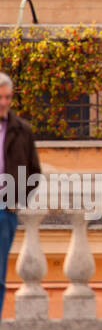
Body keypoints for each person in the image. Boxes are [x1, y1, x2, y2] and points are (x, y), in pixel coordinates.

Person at [0, 72, 41, 315]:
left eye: (7, 97)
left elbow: (35, 173)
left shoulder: (22, 131)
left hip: (4, 211)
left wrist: (17, 201)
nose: (4, 102)